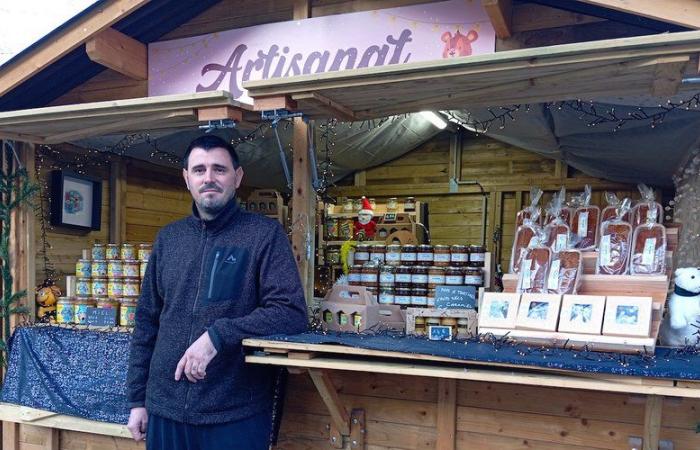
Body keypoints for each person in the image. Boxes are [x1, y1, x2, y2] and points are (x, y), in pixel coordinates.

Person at [126, 135, 308, 449]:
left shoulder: (264, 236)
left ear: (237, 177)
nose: (209, 178)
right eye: (199, 170)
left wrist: (218, 335)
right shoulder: (169, 239)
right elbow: (146, 323)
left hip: (234, 413)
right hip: (165, 408)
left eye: (219, 169)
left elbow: (290, 312)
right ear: (187, 179)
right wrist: (136, 400)